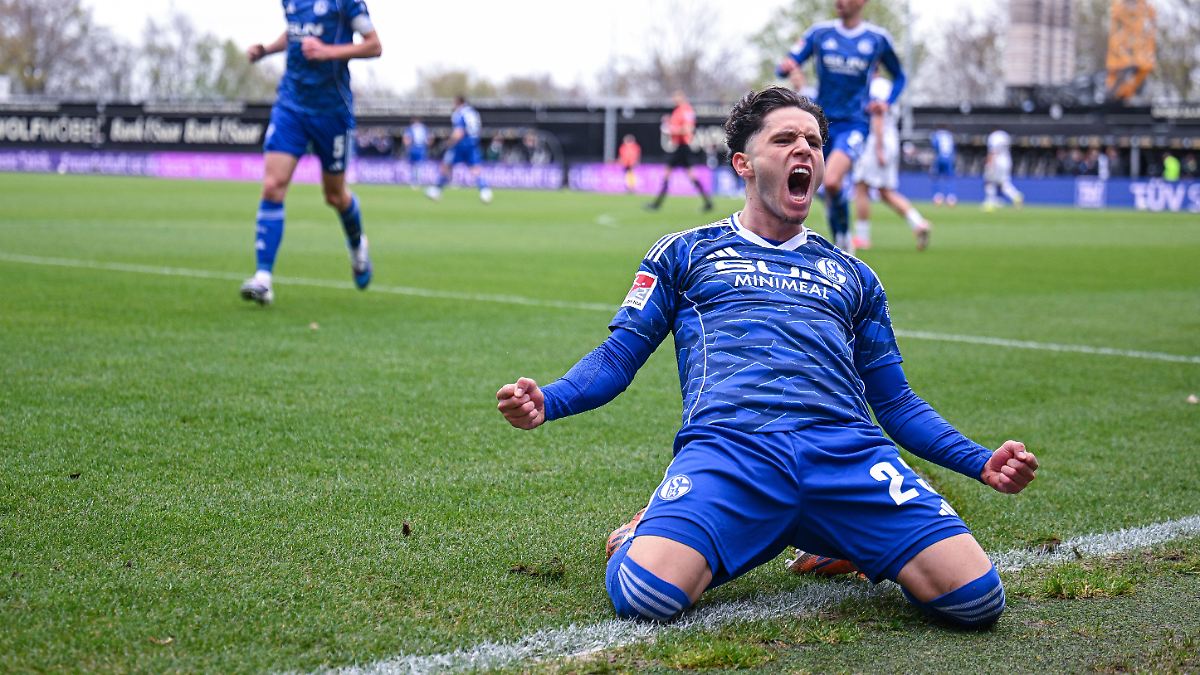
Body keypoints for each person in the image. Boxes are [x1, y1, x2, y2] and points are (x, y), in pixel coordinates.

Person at [496, 87, 1039, 628]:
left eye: (813, 141)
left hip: (846, 456)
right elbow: (619, 356)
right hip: (732, 451)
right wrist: (551, 399)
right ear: (744, 164)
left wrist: (979, 460)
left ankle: (835, 535)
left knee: (976, 600)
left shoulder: (854, 275)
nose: (803, 149)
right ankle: (646, 530)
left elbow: (895, 401)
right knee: (648, 597)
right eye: (784, 139)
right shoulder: (683, 253)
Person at [238, 0, 381, 306]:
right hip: (291, 105)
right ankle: (263, 278)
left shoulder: (347, 3)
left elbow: (374, 46)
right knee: (273, 185)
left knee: (335, 196)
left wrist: (328, 52)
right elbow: (294, 34)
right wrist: (265, 50)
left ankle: (358, 247)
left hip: (332, 113)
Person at [777, 0, 905, 254]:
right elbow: (786, 64)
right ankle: (840, 236)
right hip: (820, 123)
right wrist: (786, 67)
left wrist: (886, 102)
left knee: (833, 181)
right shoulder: (819, 33)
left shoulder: (877, 39)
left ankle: (845, 239)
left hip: (855, 124)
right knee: (815, 184)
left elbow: (899, 76)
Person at [850, 76, 930, 251]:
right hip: (891, 138)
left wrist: (878, 148)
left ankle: (862, 238)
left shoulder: (876, 86)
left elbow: (878, 115)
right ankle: (918, 223)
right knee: (885, 192)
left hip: (877, 140)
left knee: (861, 186)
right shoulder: (887, 86)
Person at [646, 90, 714, 212]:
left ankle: (657, 204)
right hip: (679, 147)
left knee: (673, 174)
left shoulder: (686, 110)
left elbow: (688, 130)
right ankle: (707, 202)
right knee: (682, 174)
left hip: (683, 147)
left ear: (682, 97)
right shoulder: (677, 111)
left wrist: (670, 130)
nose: (674, 99)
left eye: (676, 97)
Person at [425, 95, 492, 204]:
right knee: (475, 169)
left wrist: (449, 142)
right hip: (473, 143)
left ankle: (436, 190)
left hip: (461, 145)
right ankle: (485, 191)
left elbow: (459, 132)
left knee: (446, 166)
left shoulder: (459, 113)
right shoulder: (473, 112)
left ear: (458, 102)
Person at [982, 128, 1024, 211]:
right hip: (1007, 161)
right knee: (1004, 183)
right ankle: (1016, 196)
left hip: (997, 161)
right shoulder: (1005, 135)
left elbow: (993, 151)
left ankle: (990, 202)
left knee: (989, 181)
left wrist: (989, 163)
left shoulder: (993, 136)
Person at [929, 124, 957, 206]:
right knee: (949, 178)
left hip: (939, 158)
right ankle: (951, 197)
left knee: (935, 177)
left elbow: (935, 146)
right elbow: (953, 148)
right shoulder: (949, 135)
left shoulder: (936, 135)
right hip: (949, 158)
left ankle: (938, 197)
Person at [402, 118, 428, 188]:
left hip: (415, 148)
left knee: (415, 165)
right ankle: (416, 181)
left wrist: (407, 146)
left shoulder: (412, 128)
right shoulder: (423, 128)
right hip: (419, 148)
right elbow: (428, 139)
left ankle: (415, 181)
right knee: (416, 165)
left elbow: (407, 138)